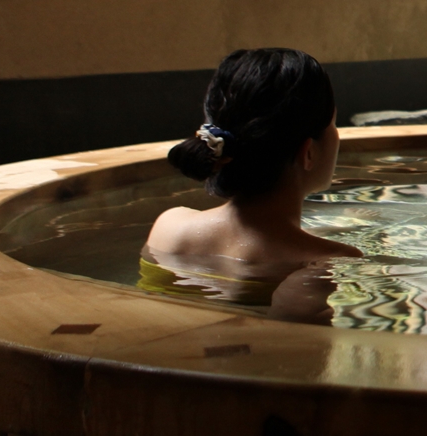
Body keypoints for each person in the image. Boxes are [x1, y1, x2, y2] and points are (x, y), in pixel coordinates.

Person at [142, 49, 360, 312]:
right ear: (309, 153)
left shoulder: (170, 228)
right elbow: (309, 350)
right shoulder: (325, 261)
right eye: (334, 124)